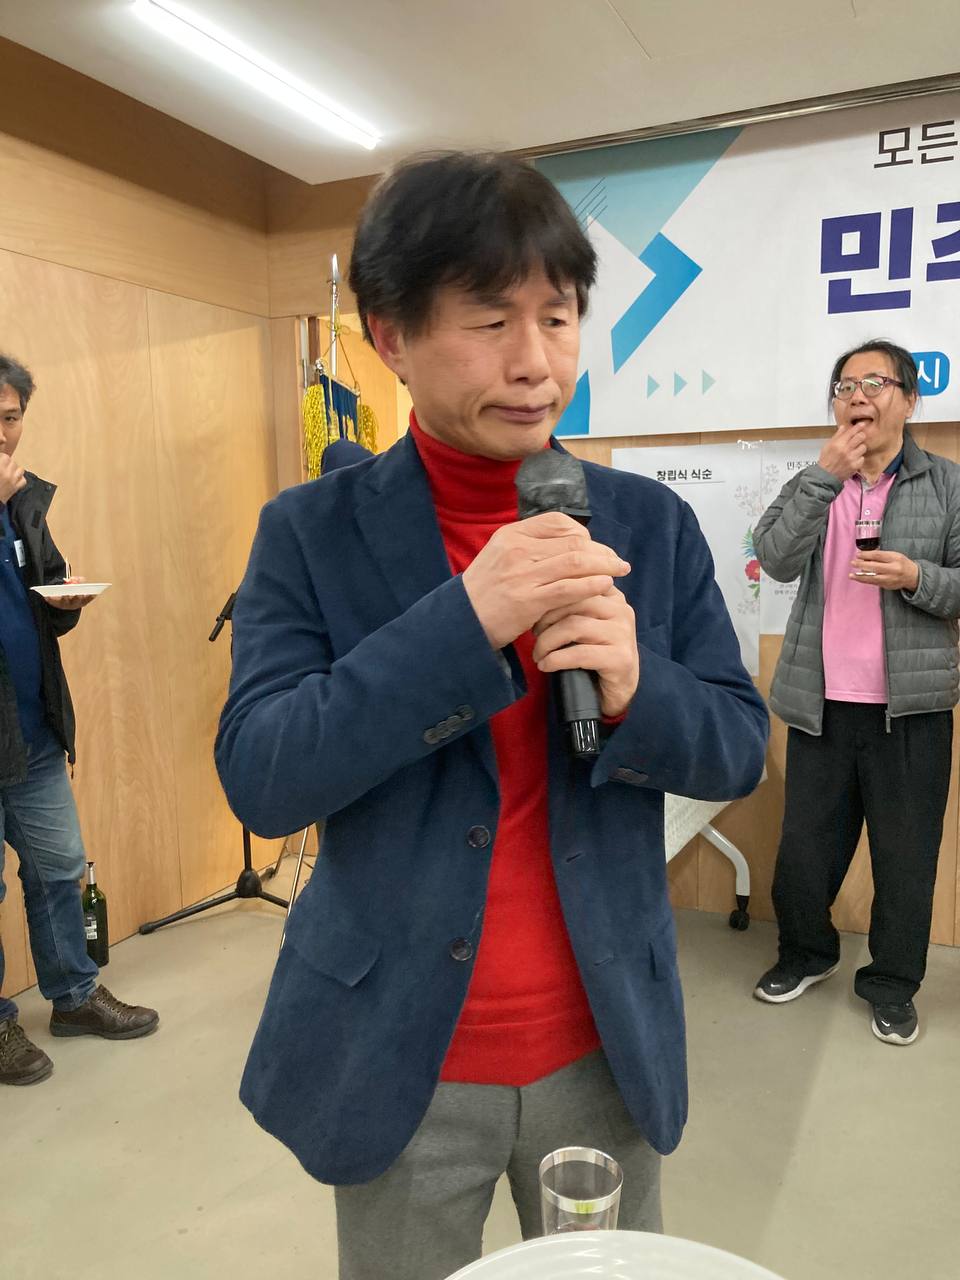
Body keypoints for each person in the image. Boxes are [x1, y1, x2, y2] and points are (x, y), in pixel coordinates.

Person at [216, 152, 767, 1279]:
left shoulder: (647, 526)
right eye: (489, 321)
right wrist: (463, 622)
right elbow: (264, 774)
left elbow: (737, 745)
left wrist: (639, 684)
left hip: (601, 1038)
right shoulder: (310, 531)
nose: (534, 362)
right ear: (391, 335)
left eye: (557, 318)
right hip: (400, 1050)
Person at [753, 339, 960, 1046]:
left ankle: (892, 984)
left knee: (905, 860)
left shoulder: (946, 484)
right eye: (845, 386)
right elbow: (774, 558)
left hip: (912, 711)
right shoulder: (815, 479)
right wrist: (824, 477)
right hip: (820, 705)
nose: (857, 396)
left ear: (909, 399)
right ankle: (806, 954)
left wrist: (918, 578)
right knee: (805, 852)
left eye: (875, 382)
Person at [0, 354, 159, 1087]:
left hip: (32, 731)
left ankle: (73, 995)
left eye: (10, 418)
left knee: (59, 868)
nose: (2, 433)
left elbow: (44, 592)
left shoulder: (24, 499)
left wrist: (63, 598)